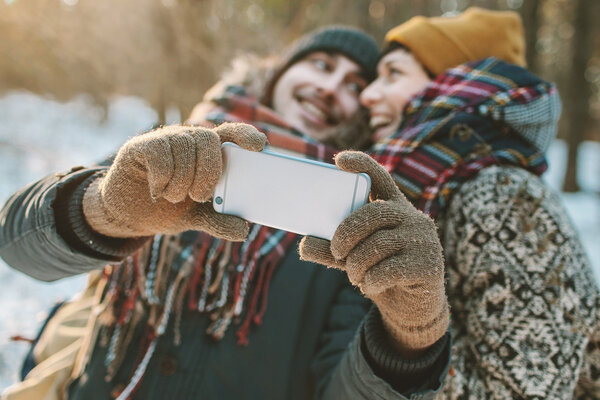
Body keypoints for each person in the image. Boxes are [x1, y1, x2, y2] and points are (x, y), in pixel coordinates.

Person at [0, 26, 453, 400]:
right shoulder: (169, 148)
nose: (331, 88)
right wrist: (105, 210)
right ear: (279, 72)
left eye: (355, 85)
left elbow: (343, 392)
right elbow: (17, 246)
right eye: (321, 64)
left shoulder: (354, 222)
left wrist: (412, 336)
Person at [301, 7, 600, 399]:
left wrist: (411, 357)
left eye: (393, 74)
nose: (369, 95)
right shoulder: (435, 186)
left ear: (455, 84)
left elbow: (526, 391)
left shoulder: (502, 193)